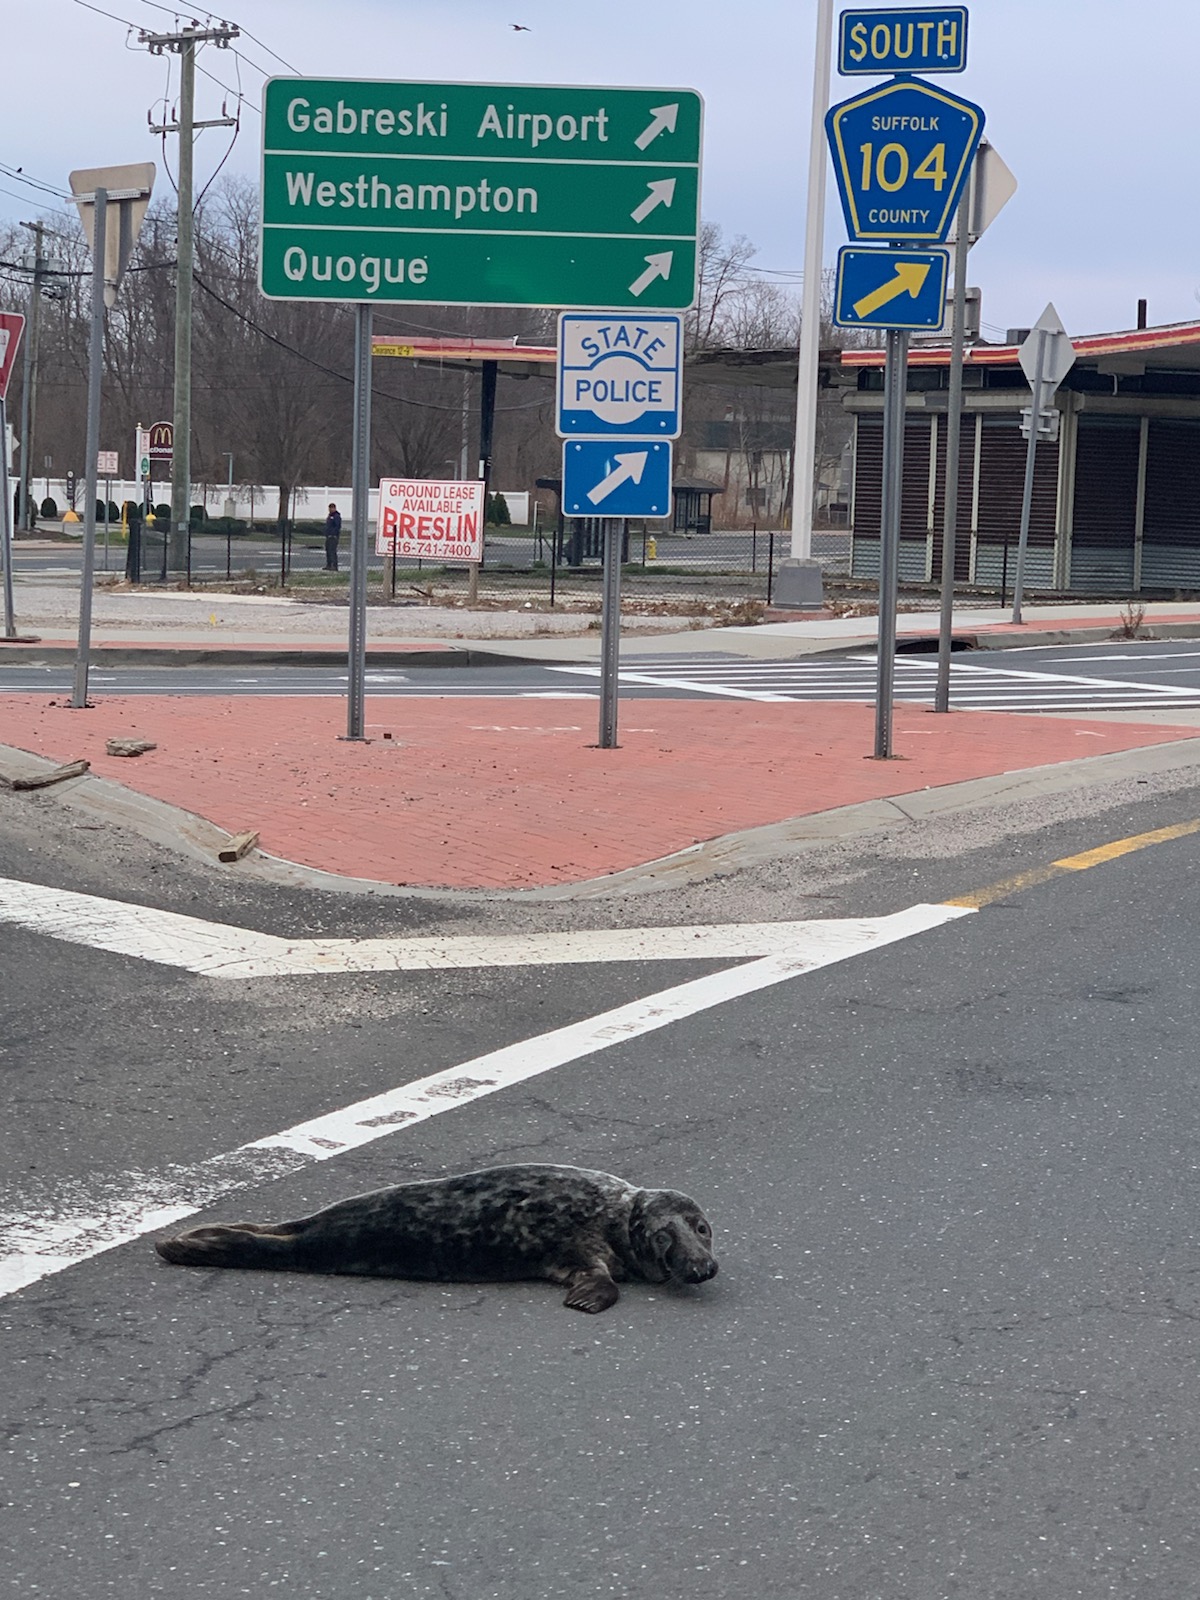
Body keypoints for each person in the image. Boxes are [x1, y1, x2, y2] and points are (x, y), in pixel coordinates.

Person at [324, 502, 342, 571]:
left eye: (331, 508)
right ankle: (328, 565)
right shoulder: (329, 516)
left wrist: (333, 533)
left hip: (333, 536)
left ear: (334, 508)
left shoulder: (336, 516)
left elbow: (337, 526)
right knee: (328, 550)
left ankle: (334, 565)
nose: (330, 510)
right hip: (328, 536)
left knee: (332, 551)